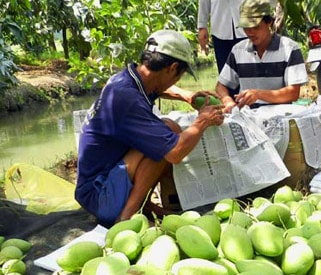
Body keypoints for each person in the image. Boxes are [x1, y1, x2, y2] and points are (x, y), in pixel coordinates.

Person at [75, 30, 225, 227]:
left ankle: (145, 206)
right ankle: (126, 217)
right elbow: (175, 153)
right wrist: (202, 121)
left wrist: (186, 95)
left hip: (98, 183)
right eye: (178, 76)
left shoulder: (126, 80)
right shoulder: (127, 100)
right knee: (167, 140)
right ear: (172, 68)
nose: (176, 82)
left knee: (167, 128)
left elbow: (158, 87)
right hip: (100, 196)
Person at [215, 0, 308, 112]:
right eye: (246, 27)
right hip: (246, 118)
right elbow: (221, 86)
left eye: (255, 27)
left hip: (279, 118)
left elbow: (293, 93)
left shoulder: (290, 49)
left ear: (269, 22)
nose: (250, 32)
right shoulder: (238, 51)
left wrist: (258, 94)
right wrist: (227, 101)